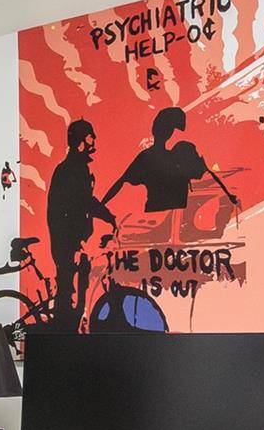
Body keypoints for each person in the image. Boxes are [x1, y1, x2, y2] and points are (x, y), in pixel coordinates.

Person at [45, 119, 117, 328]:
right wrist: (108, 217)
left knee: (78, 287)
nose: (94, 139)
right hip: (69, 242)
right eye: (90, 136)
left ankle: (70, 328)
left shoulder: (77, 168)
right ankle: (64, 332)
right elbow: (83, 202)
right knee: (68, 292)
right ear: (80, 140)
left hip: (76, 241)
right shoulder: (71, 170)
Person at [106, 107, 240, 213]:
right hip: (161, 216)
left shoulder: (175, 153)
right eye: (168, 128)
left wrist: (229, 195)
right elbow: (121, 182)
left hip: (170, 215)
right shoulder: (163, 155)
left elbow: (206, 172)